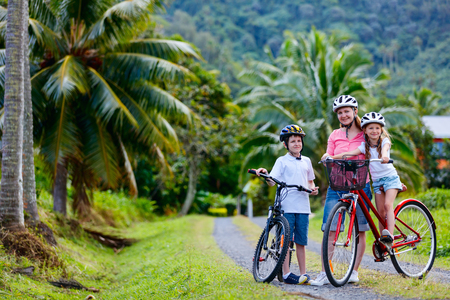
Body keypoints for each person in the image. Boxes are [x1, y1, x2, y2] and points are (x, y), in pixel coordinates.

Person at [311, 95, 371, 286]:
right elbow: (329, 154)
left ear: (355, 111)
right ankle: (324, 272)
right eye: (340, 112)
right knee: (329, 229)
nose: (343, 115)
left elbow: (379, 147)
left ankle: (354, 271)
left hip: (362, 185)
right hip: (337, 185)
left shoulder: (366, 133)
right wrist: (327, 156)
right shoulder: (334, 135)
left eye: (347, 111)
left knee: (360, 230)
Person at [255, 124, 319, 285]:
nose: (297, 144)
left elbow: (310, 181)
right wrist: (264, 173)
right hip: (286, 207)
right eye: (293, 141)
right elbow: (272, 180)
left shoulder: (306, 161)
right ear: (286, 144)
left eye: (299, 141)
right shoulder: (281, 161)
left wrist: (313, 189)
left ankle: (304, 274)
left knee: (301, 242)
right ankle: (286, 273)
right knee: (285, 241)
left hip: (303, 207)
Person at [328, 112, 404, 248]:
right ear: (364, 130)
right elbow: (349, 154)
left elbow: (386, 149)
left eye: (377, 128)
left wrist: (385, 156)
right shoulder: (364, 146)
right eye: (370, 128)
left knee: (388, 205)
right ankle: (383, 241)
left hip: (390, 179)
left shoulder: (384, 141)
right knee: (380, 212)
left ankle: (390, 236)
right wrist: (332, 157)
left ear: (381, 129)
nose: (374, 131)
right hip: (377, 182)